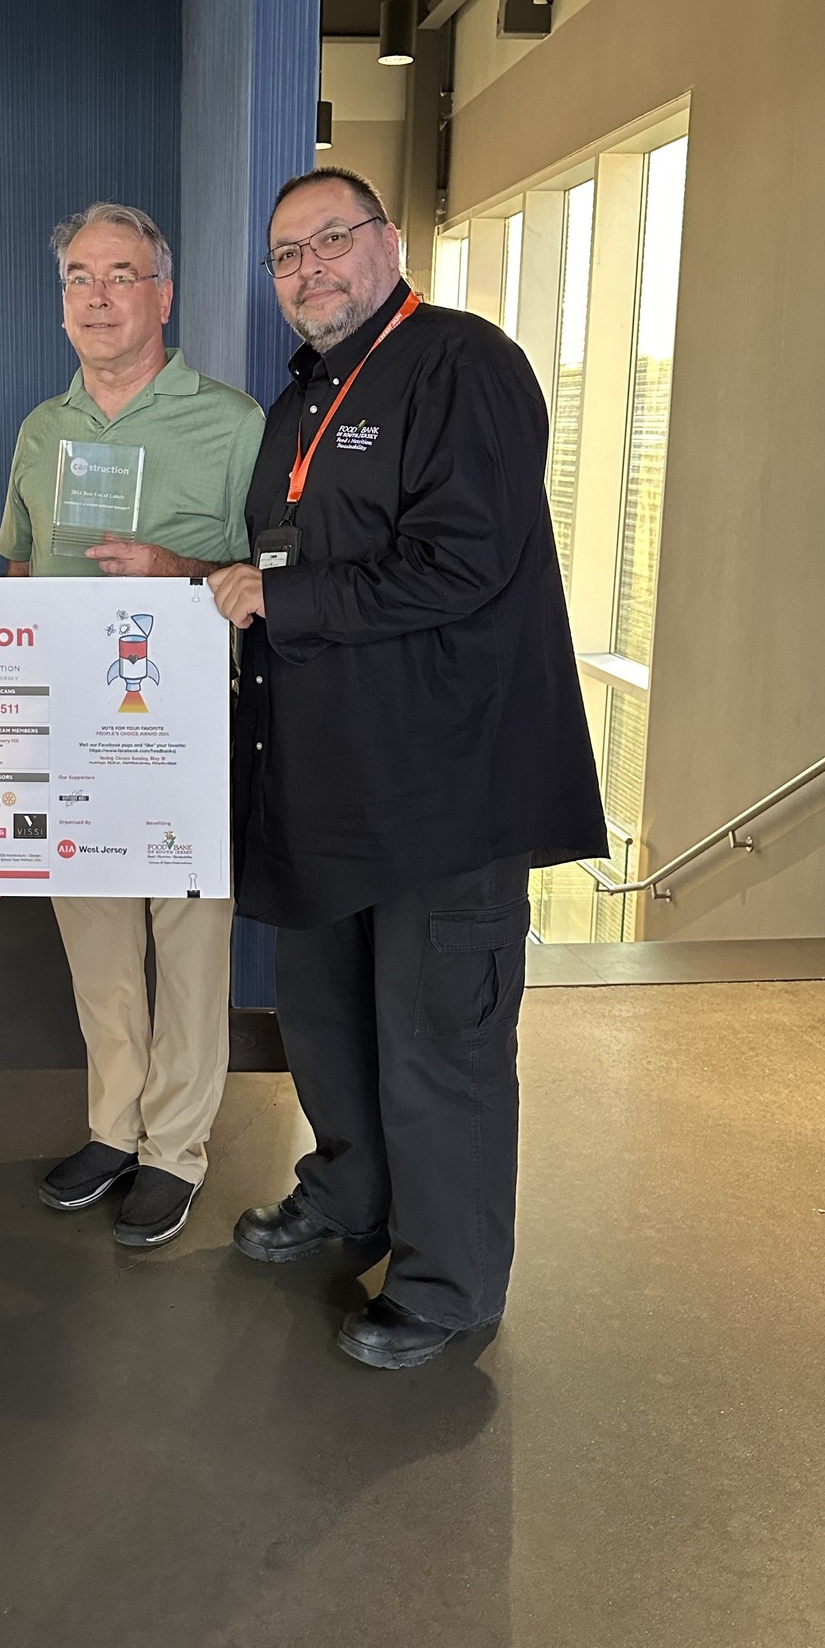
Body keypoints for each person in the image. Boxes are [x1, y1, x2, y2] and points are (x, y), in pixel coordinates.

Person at [209, 166, 606, 1370]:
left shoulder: (462, 365)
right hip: (327, 786)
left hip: (445, 790)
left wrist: (280, 598)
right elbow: (283, 566)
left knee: (441, 1044)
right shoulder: (302, 396)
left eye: (332, 238)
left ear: (387, 242)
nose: (309, 268)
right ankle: (350, 1197)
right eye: (286, 255)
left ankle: (448, 1282)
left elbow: (464, 562)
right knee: (328, 1021)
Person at [0, 202, 265, 1248]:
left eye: (121, 275)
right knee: (97, 944)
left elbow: (268, 572)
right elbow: (20, 568)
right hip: (73, 730)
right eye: (79, 276)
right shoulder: (41, 428)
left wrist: (176, 568)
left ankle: (176, 1150)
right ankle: (113, 1127)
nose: (98, 296)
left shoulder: (234, 423)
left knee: (190, 946)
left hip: (186, 731)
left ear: (164, 294)